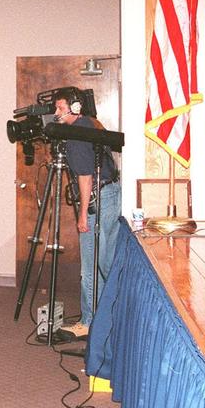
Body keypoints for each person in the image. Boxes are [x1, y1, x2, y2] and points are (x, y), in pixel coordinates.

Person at [52, 94, 120, 340]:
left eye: (60, 107)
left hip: (98, 199)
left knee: (94, 264)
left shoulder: (78, 136)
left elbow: (85, 177)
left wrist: (82, 214)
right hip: (109, 195)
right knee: (101, 262)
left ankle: (92, 322)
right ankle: (101, 320)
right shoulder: (89, 126)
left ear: (76, 108)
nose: (56, 112)